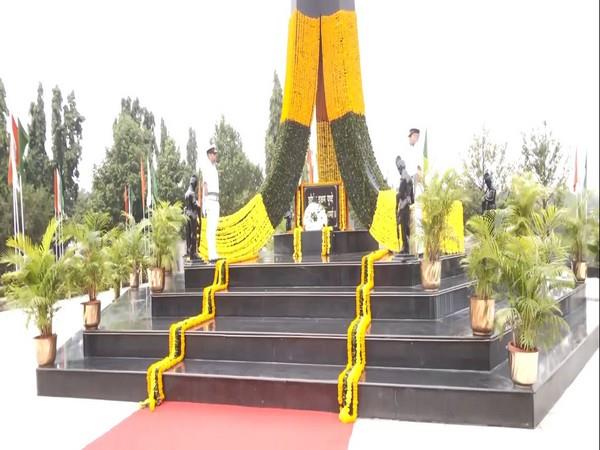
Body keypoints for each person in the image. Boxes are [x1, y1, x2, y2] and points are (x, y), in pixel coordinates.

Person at [201, 146, 220, 263]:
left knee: (214, 227)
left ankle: (214, 253)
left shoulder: (214, 168)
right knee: (210, 229)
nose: (215, 155)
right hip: (210, 199)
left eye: (215, 154)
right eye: (213, 154)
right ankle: (211, 254)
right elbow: (205, 186)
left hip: (216, 200)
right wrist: (205, 202)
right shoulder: (207, 167)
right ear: (209, 155)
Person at [396, 158, 414, 255]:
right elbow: (412, 195)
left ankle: (405, 249)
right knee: (407, 228)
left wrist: (395, 200)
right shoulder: (410, 178)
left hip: (403, 205)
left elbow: (400, 193)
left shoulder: (403, 178)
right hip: (408, 204)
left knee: (403, 228)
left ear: (399, 168)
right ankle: (409, 247)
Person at [184, 175, 201, 260]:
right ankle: (193, 253)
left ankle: (189, 251)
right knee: (193, 234)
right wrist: (199, 205)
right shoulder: (192, 193)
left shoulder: (186, 193)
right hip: (193, 215)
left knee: (188, 234)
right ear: (194, 184)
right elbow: (195, 205)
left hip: (187, 214)